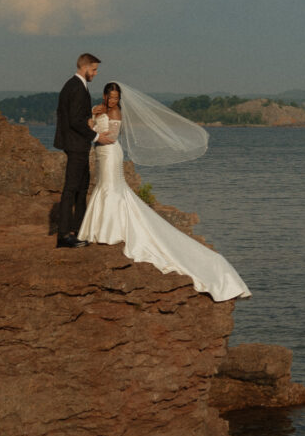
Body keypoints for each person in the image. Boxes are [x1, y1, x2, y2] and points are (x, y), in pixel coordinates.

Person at [77, 82, 250, 302]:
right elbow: (95, 130)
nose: (112, 100)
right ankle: (104, 229)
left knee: (112, 190)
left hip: (110, 153)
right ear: (104, 95)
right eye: (110, 97)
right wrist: (92, 117)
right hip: (102, 154)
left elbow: (108, 137)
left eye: (115, 97)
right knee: (106, 189)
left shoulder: (114, 111)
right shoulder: (101, 108)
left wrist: (90, 123)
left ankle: (110, 231)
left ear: (119, 99)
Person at [54, 53, 114, 248]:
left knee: (81, 188)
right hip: (76, 144)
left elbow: (77, 115)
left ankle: (79, 229)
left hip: (75, 143)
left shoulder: (73, 85)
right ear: (85, 67)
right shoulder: (77, 87)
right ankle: (63, 236)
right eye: (94, 70)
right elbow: (74, 121)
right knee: (71, 189)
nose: (95, 74)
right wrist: (96, 136)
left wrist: (90, 113)